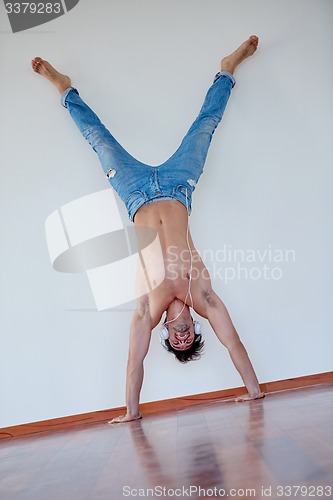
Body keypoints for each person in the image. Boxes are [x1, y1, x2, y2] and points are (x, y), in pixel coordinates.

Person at [32, 35, 265, 424]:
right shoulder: (204, 297)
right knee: (206, 125)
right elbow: (234, 343)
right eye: (188, 338)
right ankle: (227, 70)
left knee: (98, 139)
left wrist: (131, 413)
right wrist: (254, 391)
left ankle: (64, 87)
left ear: (169, 335)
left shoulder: (146, 310)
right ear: (193, 326)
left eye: (177, 341)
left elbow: (133, 363)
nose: (182, 337)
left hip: (135, 193)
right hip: (179, 185)